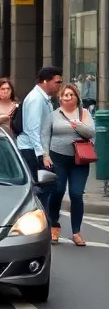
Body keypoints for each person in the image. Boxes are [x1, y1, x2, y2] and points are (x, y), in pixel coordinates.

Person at [42, 83, 93, 247]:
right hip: (58, 158)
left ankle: (76, 232)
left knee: (76, 194)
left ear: (77, 97)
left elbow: (91, 133)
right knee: (57, 191)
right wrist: (45, 155)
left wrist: (76, 123)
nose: (68, 97)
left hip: (80, 160)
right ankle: (54, 225)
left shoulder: (84, 114)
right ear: (60, 98)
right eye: (65, 95)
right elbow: (45, 135)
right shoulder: (53, 115)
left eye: (71, 95)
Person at [17, 66, 64, 184]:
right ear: (45, 81)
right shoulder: (36, 99)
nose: (60, 85)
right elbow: (33, 129)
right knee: (41, 188)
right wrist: (42, 155)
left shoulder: (44, 99)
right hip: (31, 150)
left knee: (47, 186)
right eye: (57, 82)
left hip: (36, 150)